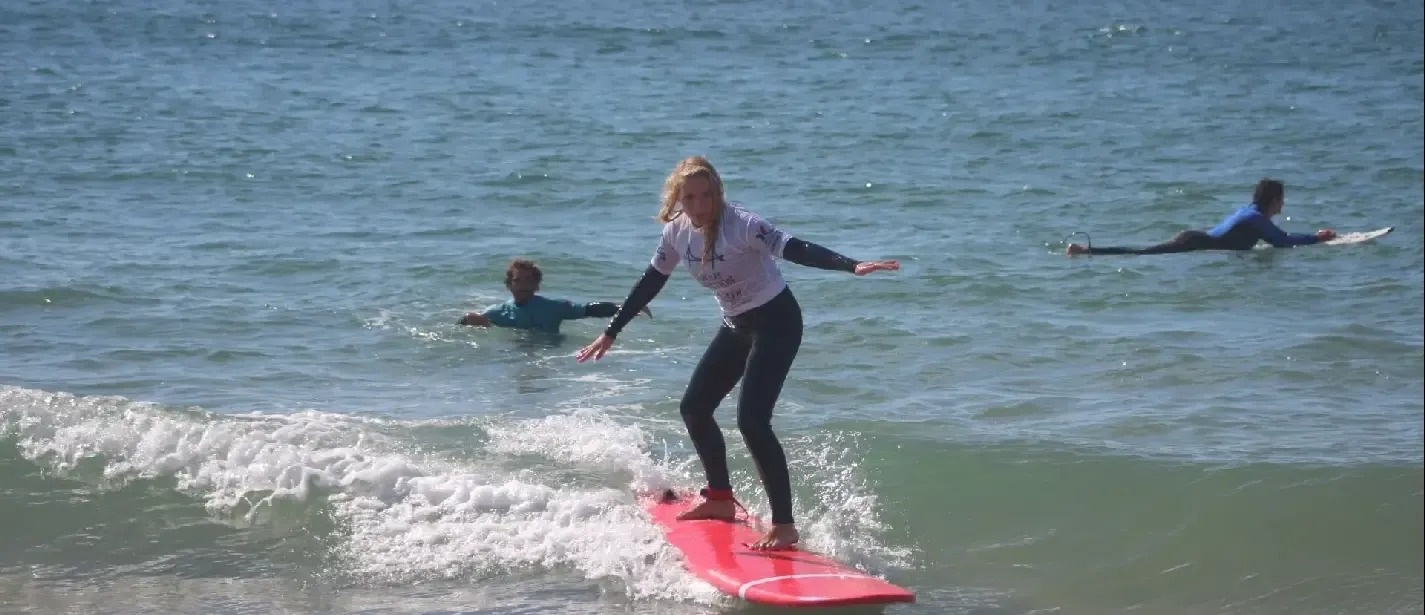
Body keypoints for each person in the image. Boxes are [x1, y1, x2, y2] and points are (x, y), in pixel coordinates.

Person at [575, 156, 900, 550]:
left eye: (706, 196)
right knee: (694, 408)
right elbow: (651, 281)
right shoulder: (677, 233)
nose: (698, 206)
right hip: (737, 325)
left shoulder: (742, 224)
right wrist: (612, 331)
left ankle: (784, 525)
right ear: (678, 198)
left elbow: (794, 248)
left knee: (752, 420)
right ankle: (720, 499)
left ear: (717, 193)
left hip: (777, 321)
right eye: (689, 197)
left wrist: (851, 266)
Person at [1066, 179, 1336, 256]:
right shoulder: (1256, 220)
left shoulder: (1248, 213)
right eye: (1282, 199)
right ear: (1275, 201)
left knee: (1142, 252)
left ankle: (1085, 250)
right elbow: (1283, 242)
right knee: (1139, 253)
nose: (1283, 204)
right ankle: (1085, 250)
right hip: (1194, 243)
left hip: (1194, 238)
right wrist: (1316, 238)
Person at [458, 259, 650, 334]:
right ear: (508, 285)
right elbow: (464, 326)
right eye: (518, 281)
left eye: (528, 280)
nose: (523, 285)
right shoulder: (497, 313)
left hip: (551, 357)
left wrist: (630, 306)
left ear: (537, 285)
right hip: (514, 356)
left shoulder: (553, 307)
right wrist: (467, 320)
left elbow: (590, 309)